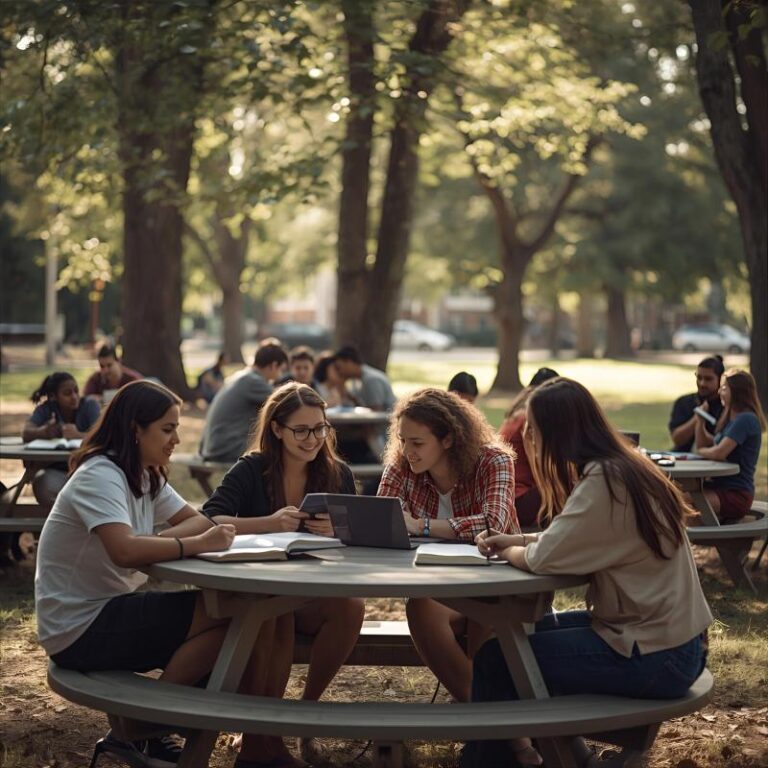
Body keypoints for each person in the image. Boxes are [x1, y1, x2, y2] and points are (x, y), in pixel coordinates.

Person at [34, 380, 295, 768]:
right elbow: (124, 550)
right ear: (135, 430)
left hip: (110, 608)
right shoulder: (100, 475)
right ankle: (144, 727)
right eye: (167, 429)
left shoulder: (144, 472)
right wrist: (190, 544)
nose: (176, 438)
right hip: (79, 625)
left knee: (249, 616)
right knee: (241, 618)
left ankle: (163, 727)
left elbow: (197, 519)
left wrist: (156, 540)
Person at [467, 377, 712, 768]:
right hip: (671, 638)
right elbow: (570, 539)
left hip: (656, 654)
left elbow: (546, 558)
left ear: (556, 431)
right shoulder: (624, 466)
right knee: (522, 637)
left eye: (534, 429)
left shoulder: (605, 481)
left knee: (498, 659)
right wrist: (515, 540)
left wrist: (509, 549)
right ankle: (563, 757)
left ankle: (494, 762)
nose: (528, 436)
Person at [203, 382, 365, 766]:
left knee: (352, 606)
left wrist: (343, 529)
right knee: (274, 614)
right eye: (302, 430)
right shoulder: (252, 468)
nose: (313, 439)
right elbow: (209, 519)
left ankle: (305, 716)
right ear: (276, 429)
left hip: (314, 590)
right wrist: (268, 523)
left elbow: (361, 532)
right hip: (260, 592)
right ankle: (264, 734)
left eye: (321, 428)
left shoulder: (335, 471)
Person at [377, 388, 518, 706]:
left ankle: (490, 723)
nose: (406, 450)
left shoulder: (494, 462)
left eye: (417, 443)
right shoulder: (402, 464)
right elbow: (382, 520)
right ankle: (491, 718)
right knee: (420, 605)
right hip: (439, 589)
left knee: (485, 614)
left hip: (500, 585)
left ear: (449, 439)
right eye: (401, 440)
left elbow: (492, 524)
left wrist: (420, 525)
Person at [693, 368, 765, 522]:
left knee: (680, 500)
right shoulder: (732, 420)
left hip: (735, 493)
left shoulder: (746, 420)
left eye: (724, 388)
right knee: (677, 495)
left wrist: (700, 452)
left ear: (738, 392)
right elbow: (707, 443)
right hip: (720, 488)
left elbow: (719, 453)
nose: (719, 392)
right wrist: (700, 422)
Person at [199, 341, 288, 462]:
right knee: (284, 449)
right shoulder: (253, 381)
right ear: (273, 365)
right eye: (281, 370)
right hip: (226, 449)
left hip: (212, 447)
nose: (280, 375)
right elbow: (287, 403)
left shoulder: (242, 376)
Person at [22, 372, 101, 505]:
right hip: (57, 472)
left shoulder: (89, 406)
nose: (74, 397)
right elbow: (26, 432)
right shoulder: (46, 409)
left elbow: (103, 435)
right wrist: (44, 432)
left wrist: (79, 435)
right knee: (41, 484)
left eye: (76, 391)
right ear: (53, 397)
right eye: (67, 393)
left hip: (87, 470)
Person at [498, 367, 560, 528]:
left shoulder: (516, 412)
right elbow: (538, 465)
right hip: (519, 500)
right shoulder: (528, 418)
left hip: (507, 497)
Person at [669, 355, 726, 452]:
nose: (702, 383)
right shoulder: (684, 402)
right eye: (699, 377)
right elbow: (677, 440)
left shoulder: (726, 407)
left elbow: (719, 444)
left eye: (708, 379)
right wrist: (697, 417)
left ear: (721, 379)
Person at [333, 345, 396, 412]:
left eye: (339, 368)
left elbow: (376, 411)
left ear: (349, 362)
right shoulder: (357, 380)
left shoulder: (371, 380)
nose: (340, 372)